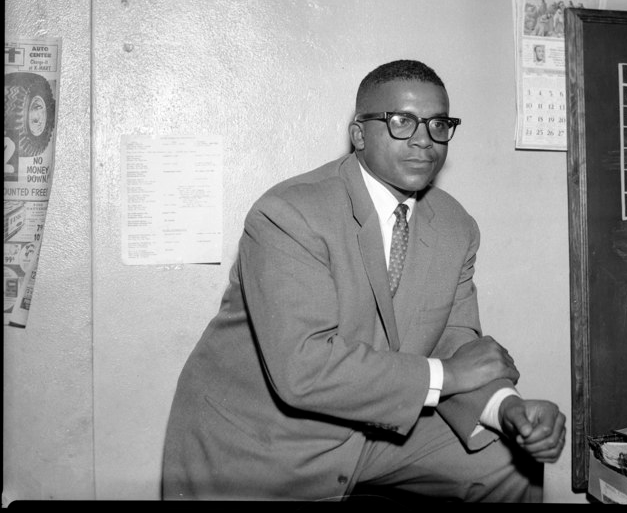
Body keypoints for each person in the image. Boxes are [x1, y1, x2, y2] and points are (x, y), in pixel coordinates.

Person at [162, 59, 566, 502]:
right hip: (258, 439)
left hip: (371, 425)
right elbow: (304, 370)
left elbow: (454, 342)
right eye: (401, 122)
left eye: (438, 124)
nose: (423, 140)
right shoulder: (288, 214)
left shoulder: (456, 226)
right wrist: (447, 374)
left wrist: (507, 409)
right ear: (359, 134)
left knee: (507, 460)